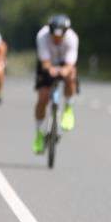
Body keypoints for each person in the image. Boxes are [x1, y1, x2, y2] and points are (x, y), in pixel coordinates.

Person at [32, 14, 79, 154]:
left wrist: (64, 71)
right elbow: (45, 61)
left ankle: (68, 109)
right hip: (47, 63)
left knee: (71, 75)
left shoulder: (72, 38)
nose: (57, 39)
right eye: (54, 36)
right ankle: (39, 133)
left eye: (60, 37)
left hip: (65, 63)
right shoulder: (42, 36)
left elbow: (70, 63)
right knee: (43, 98)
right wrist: (50, 69)